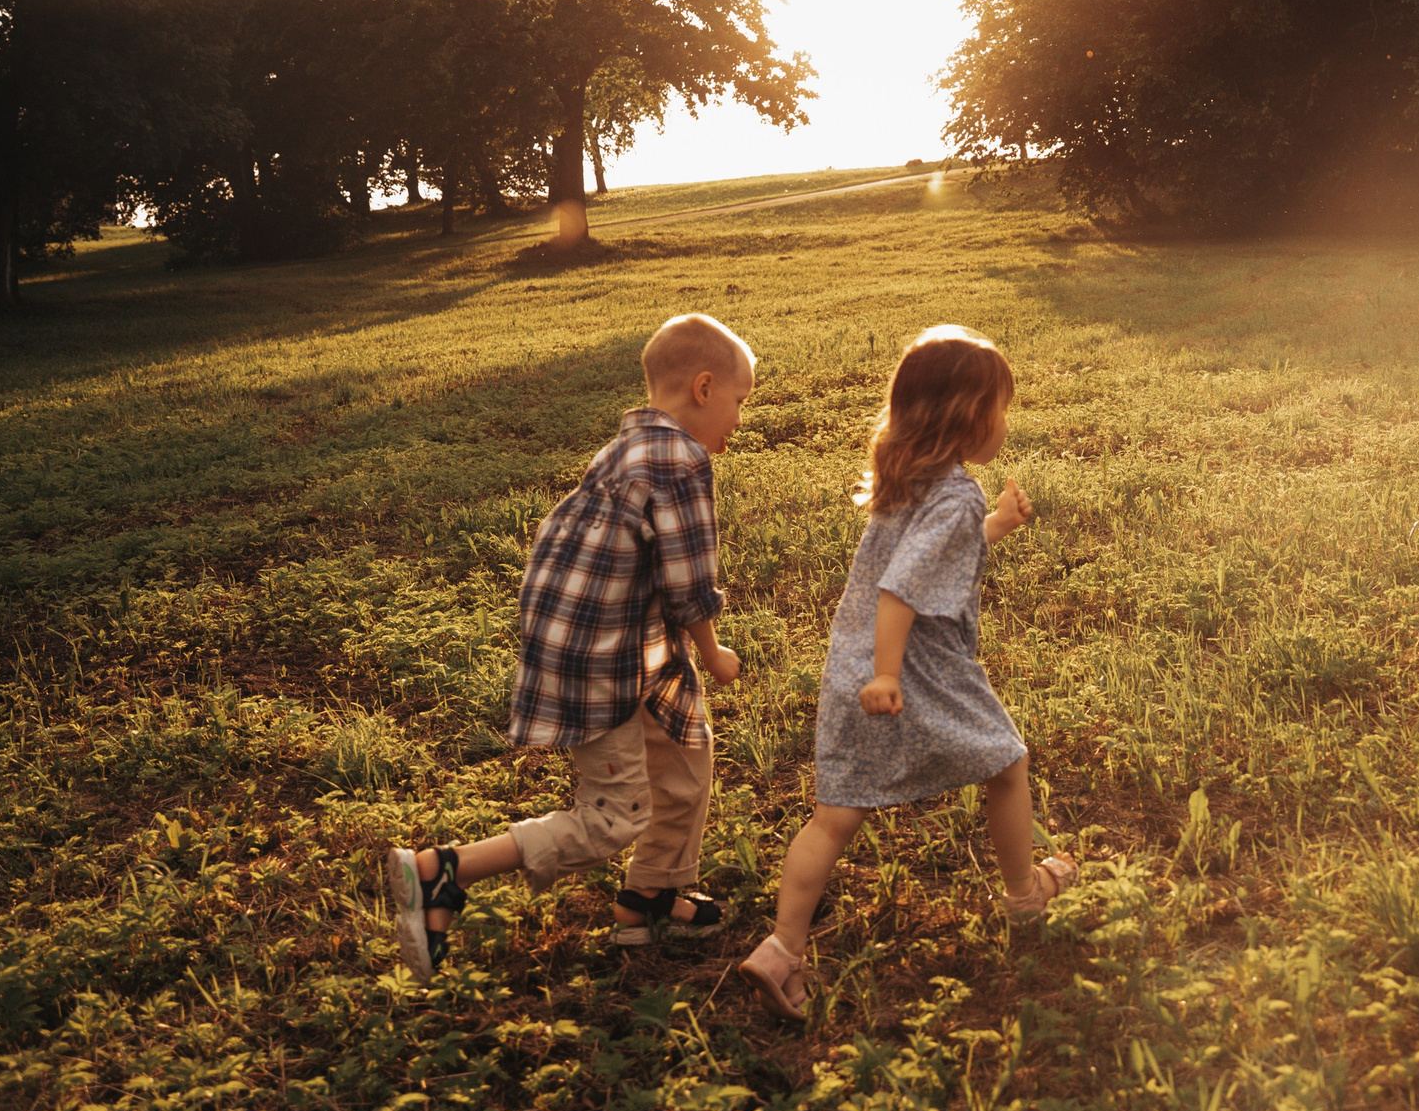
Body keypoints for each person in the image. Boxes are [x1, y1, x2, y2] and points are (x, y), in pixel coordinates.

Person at [382, 314, 752, 983]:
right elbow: (689, 580)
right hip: (602, 663)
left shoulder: (624, 447)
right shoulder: (681, 459)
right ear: (703, 387)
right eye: (739, 402)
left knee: (686, 752)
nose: (738, 420)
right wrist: (716, 650)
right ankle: (443, 872)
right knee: (615, 815)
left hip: (604, 643)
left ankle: (654, 894)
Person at [739, 325, 1077, 1021]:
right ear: (967, 415)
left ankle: (780, 948)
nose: (1005, 423)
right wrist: (890, 673)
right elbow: (901, 588)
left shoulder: (911, 480)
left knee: (833, 817)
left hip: (853, 662)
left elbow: (934, 560)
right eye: (1001, 408)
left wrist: (996, 527)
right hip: (914, 667)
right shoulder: (954, 493)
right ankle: (1024, 895)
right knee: (1007, 763)